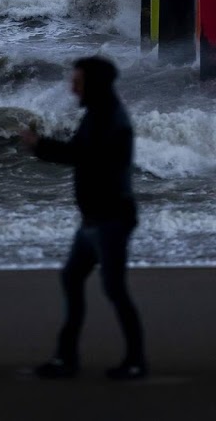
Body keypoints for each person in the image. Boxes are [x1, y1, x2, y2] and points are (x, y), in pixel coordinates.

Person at [20, 55, 147, 381]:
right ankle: (66, 358)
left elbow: (83, 157)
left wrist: (40, 146)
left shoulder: (110, 120)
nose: (72, 88)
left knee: (114, 289)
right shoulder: (96, 115)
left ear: (95, 84)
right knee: (73, 278)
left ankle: (135, 361)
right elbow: (80, 154)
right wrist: (42, 147)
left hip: (111, 219)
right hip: (94, 220)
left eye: (77, 82)